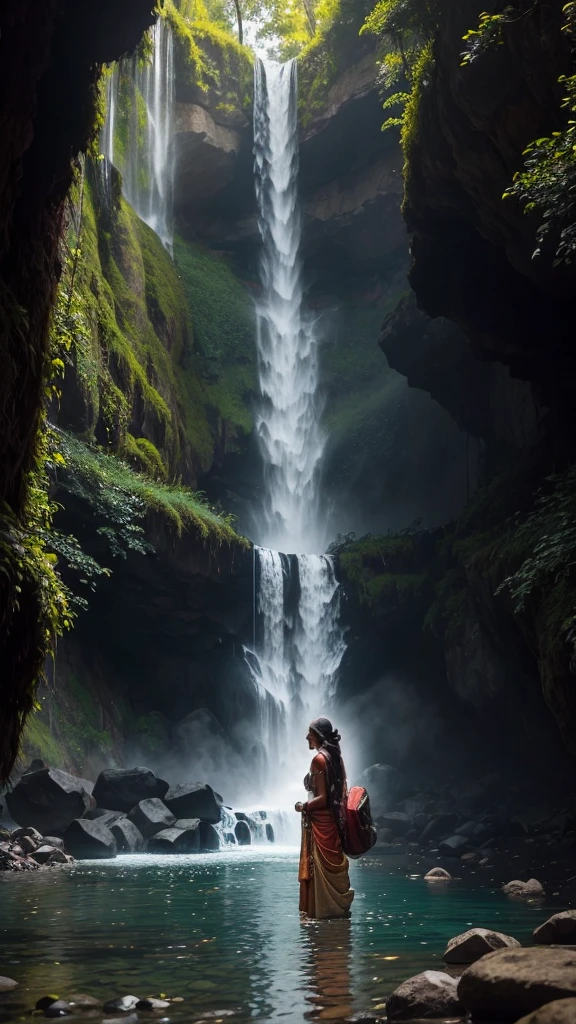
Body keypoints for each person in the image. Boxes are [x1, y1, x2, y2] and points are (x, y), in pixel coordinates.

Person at [295, 717, 354, 919]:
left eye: (309, 734)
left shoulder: (319, 759)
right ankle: (335, 914)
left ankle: (320, 912)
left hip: (322, 824)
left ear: (318, 736)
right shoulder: (335, 757)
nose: (306, 737)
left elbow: (323, 799)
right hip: (334, 822)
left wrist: (303, 806)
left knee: (318, 868)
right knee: (332, 866)